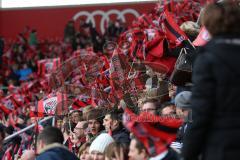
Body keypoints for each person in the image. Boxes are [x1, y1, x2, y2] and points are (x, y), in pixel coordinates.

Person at [182, 2, 240, 160]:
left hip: (224, 147)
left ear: (209, 25)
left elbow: (201, 112)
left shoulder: (208, 58)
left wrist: (188, 152)